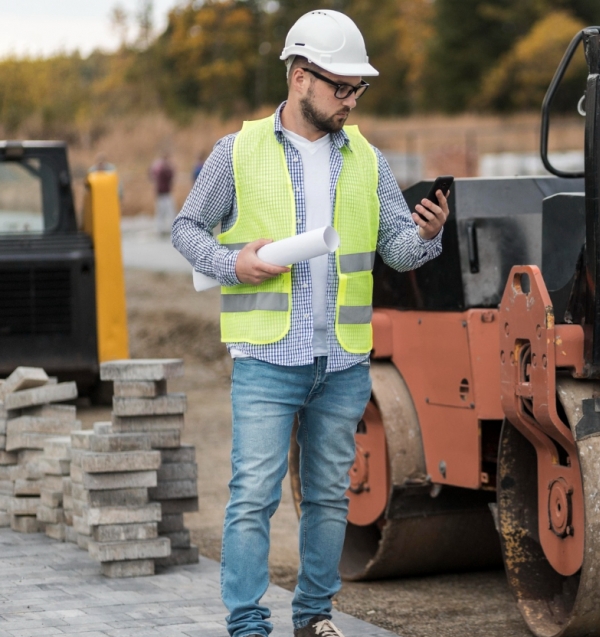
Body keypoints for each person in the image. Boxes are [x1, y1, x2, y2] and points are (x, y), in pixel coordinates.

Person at [171, 10, 449, 637]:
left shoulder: (368, 160)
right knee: (253, 499)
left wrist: (426, 235)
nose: (352, 100)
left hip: (343, 359)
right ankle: (247, 624)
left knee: (328, 498)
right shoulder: (236, 151)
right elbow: (185, 229)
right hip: (267, 356)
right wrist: (231, 262)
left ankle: (314, 618)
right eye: (341, 87)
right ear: (299, 77)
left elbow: (395, 251)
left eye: (358, 89)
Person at [150, 152, 175, 236]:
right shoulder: (163, 168)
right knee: (169, 212)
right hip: (164, 193)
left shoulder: (156, 167)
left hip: (160, 193)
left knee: (161, 213)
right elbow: (170, 175)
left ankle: (160, 229)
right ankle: (167, 229)